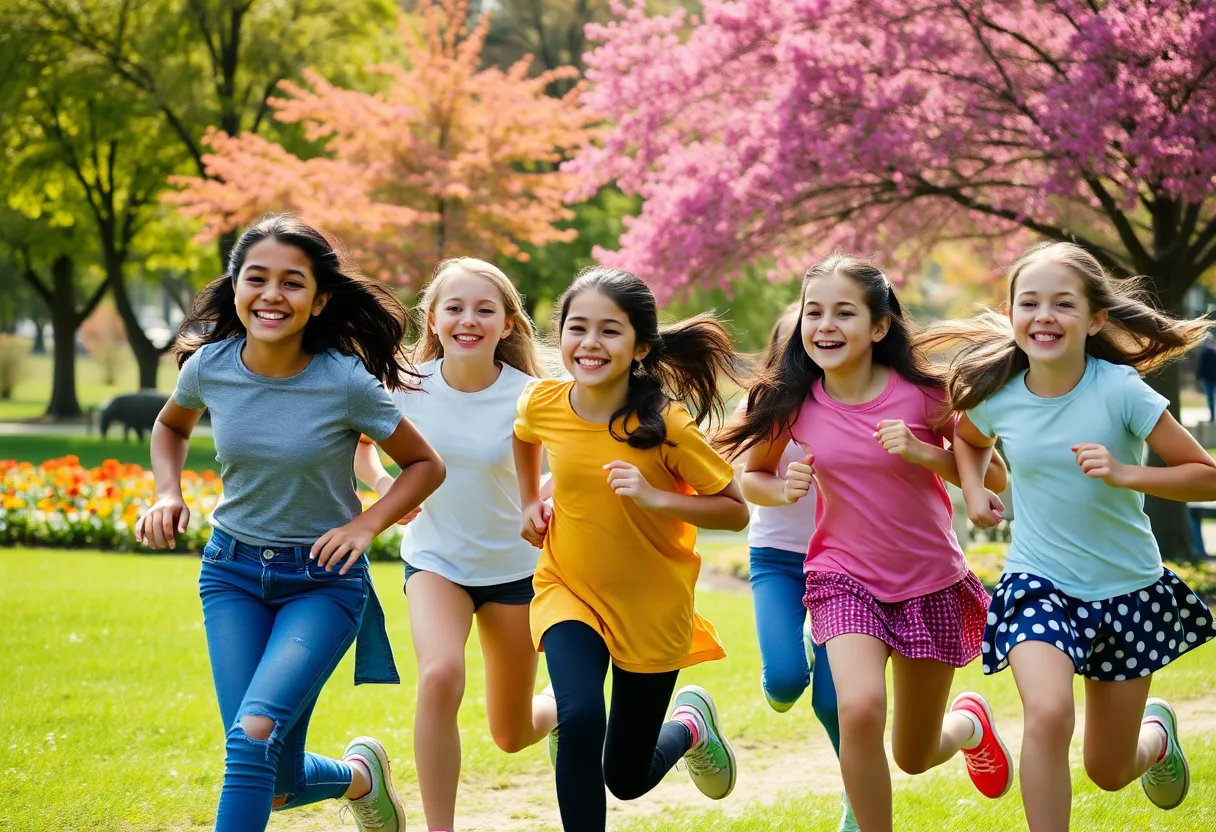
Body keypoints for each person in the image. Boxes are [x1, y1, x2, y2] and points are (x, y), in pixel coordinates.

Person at [135, 214, 446, 832]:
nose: (272, 295)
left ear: (319, 300)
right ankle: (362, 778)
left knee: (252, 737)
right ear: (235, 287)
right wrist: (166, 492)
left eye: (292, 282)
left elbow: (424, 465)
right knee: (271, 777)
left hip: (321, 583)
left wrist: (365, 526)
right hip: (231, 574)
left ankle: (355, 777)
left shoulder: (344, 381)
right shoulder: (210, 366)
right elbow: (170, 424)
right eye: (257, 278)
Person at [716, 253, 1014, 832]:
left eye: (844, 313)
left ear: (879, 327)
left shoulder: (924, 395)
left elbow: (994, 474)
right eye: (814, 312)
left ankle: (968, 726)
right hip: (843, 577)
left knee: (914, 754)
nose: (824, 326)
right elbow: (754, 477)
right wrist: (782, 489)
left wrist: (925, 452)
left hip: (930, 580)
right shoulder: (793, 402)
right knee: (857, 710)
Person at [923, 241, 1216, 831]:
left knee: (1108, 769)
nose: (1045, 316)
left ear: (1095, 319)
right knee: (1049, 713)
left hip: (1127, 590)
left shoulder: (1121, 390)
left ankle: (1156, 741)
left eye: (1063, 303)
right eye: (1029, 303)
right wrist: (974, 491)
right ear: (1011, 315)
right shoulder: (1000, 394)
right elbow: (970, 441)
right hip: (1039, 582)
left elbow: (1205, 475)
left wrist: (1126, 473)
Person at [513, 266, 749, 831]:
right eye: (577, 327)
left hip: (651, 608)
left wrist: (654, 497)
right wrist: (529, 501)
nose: (590, 343)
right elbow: (524, 437)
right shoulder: (543, 401)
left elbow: (735, 510)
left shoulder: (665, 425)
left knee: (625, 775)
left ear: (640, 347)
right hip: (568, 588)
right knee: (578, 716)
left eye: (609, 330)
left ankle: (690, 726)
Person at [353, 258, 556, 831]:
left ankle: (566, 706)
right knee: (440, 675)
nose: (469, 319)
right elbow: (361, 448)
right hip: (436, 562)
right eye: (456, 307)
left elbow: (573, 464)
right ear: (433, 319)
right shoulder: (404, 388)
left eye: (485, 309)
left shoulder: (534, 395)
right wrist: (387, 487)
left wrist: (542, 499)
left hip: (516, 571)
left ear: (508, 324)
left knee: (511, 733)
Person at [728, 303, 856, 832]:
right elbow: (748, 480)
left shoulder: (853, 402)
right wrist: (783, 489)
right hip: (777, 559)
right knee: (783, 685)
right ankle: (795, 652)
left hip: (845, 566)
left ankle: (856, 800)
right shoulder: (764, 405)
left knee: (834, 702)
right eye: (795, 342)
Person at [1196, 331, 1216, 422]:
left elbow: (1201, 365)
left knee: (1210, 397)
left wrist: (1199, 376)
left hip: (1207, 378)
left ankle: (1212, 416)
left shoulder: (1204, 353)